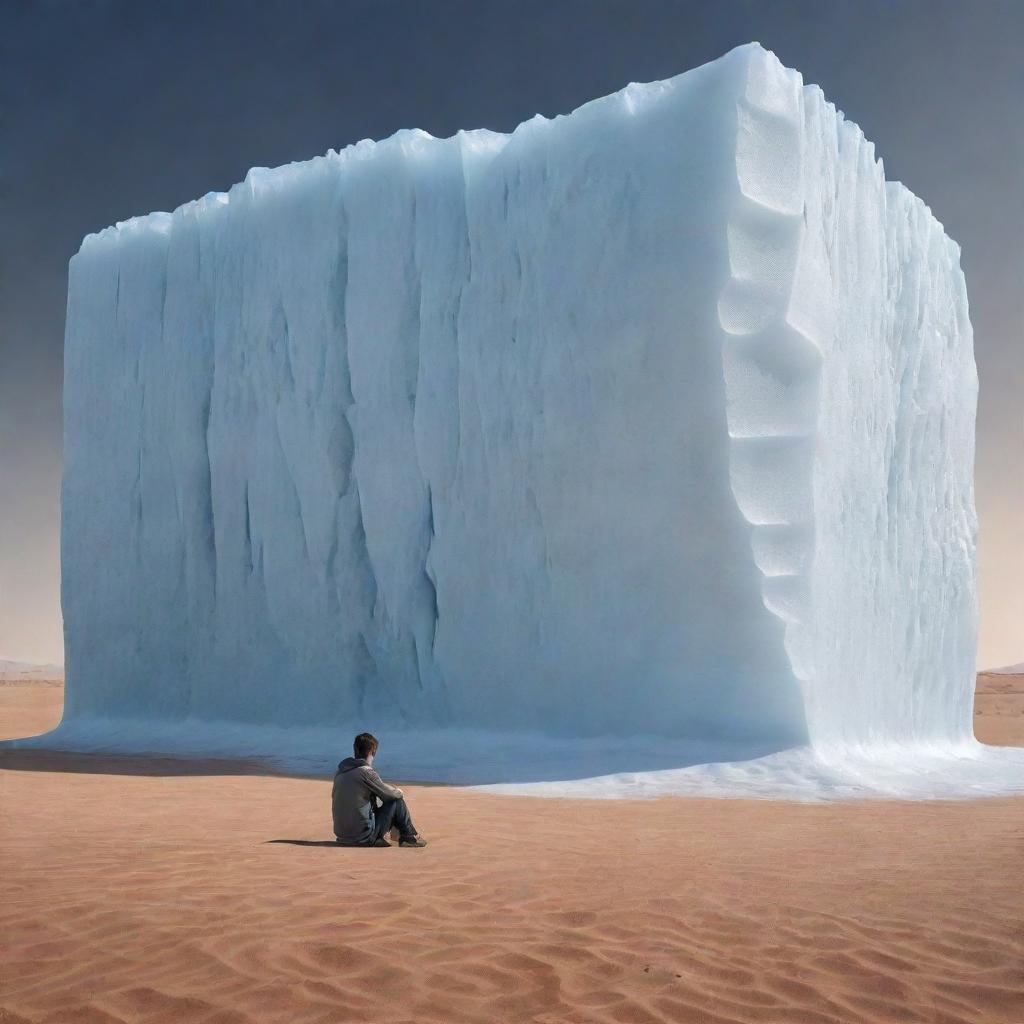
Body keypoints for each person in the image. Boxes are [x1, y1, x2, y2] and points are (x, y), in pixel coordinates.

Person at [332, 732, 427, 848]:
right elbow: (391, 795)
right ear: (372, 752)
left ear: (356, 751)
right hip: (362, 837)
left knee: (376, 800)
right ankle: (409, 837)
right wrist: (398, 791)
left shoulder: (340, 772)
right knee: (397, 802)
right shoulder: (366, 772)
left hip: (342, 837)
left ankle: (394, 835)